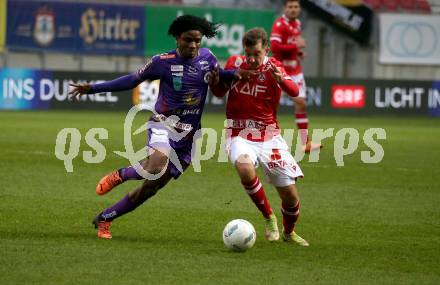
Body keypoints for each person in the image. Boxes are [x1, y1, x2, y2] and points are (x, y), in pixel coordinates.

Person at [69, 15, 246, 239]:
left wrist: (235, 75)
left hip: (189, 136)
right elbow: (132, 80)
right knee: (155, 165)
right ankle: (121, 175)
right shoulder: (162, 62)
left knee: (150, 188)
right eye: (188, 40)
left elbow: (218, 78)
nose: (193, 45)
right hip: (163, 123)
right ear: (177, 38)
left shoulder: (207, 57)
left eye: (197, 40)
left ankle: (105, 219)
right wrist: (93, 88)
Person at [211, 28, 309, 245]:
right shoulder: (235, 63)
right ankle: (269, 218)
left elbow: (294, 91)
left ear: (266, 49)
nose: (252, 59)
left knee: (291, 197)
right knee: (245, 167)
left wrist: (280, 80)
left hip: (269, 137)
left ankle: (288, 232)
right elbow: (219, 93)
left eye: (257, 54)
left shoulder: (274, 67)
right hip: (239, 133)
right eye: (248, 54)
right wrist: (215, 81)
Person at [270, 0, 322, 153]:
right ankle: (264, 139)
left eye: (296, 7)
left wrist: (297, 53)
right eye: (290, 7)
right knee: (271, 107)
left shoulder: (297, 23)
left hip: (295, 70)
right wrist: (295, 46)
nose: (293, 10)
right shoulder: (279, 25)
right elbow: (274, 47)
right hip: (279, 70)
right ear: (285, 8)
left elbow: (291, 45)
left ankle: (305, 143)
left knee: (301, 103)